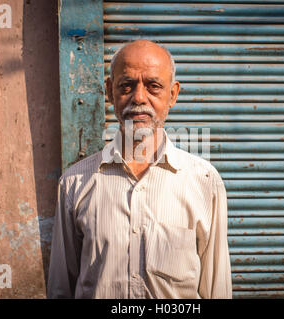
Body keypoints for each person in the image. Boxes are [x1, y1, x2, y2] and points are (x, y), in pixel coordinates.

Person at [47, 40, 232, 299]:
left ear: (173, 94)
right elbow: (60, 289)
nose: (139, 98)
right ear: (110, 91)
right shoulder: (74, 183)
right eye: (127, 85)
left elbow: (217, 288)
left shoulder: (203, 181)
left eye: (154, 86)